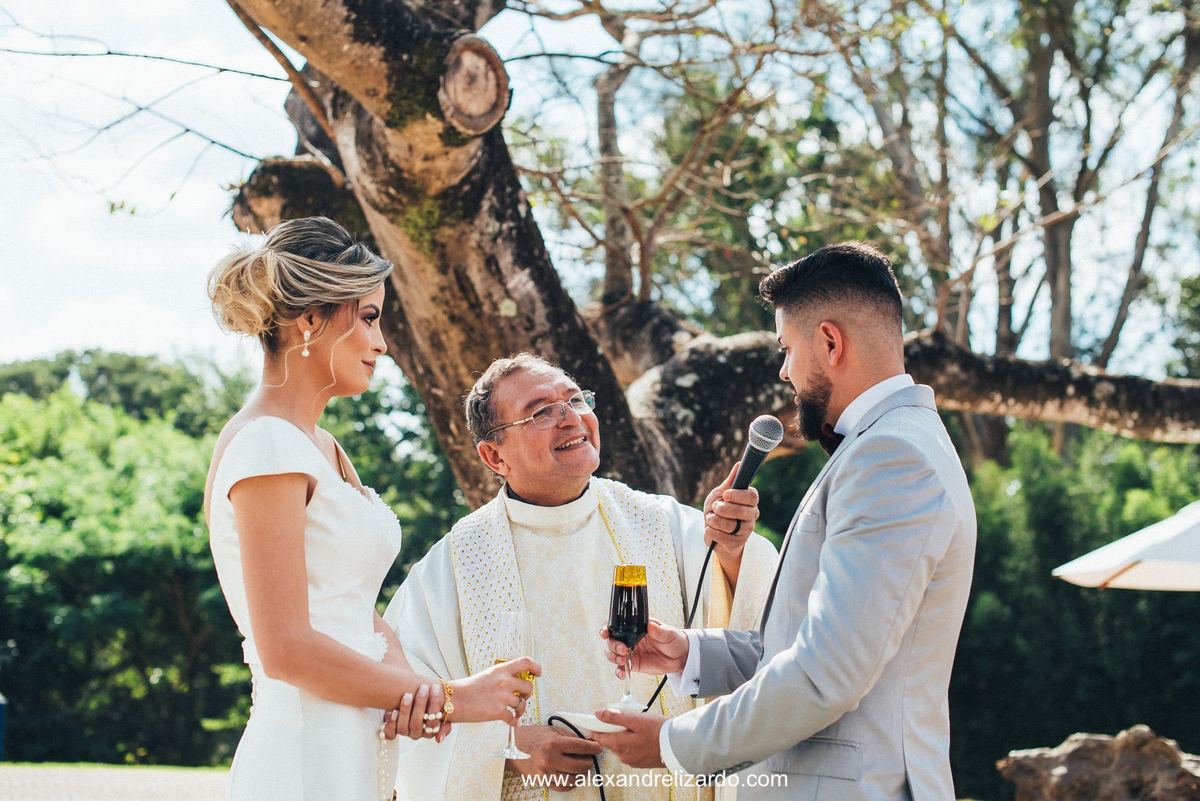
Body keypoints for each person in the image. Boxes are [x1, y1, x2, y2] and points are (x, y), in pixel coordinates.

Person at [592, 242, 977, 801]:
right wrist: (693, 652)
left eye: (787, 348)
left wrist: (674, 744)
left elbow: (827, 673)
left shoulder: (891, 458)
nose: (783, 370)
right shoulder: (888, 447)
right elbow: (813, 643)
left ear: (829, 342)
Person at [202, 216, 540, 801]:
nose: (381, 343)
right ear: (310, 319)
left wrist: (416, 695)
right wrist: (457, 698)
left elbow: (355, 611)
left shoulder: (321, 446)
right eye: (368, 317)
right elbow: (284, 646)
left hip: (360, 744)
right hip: (306, 756)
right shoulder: (266, 445)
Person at [382, 354, 778, 800]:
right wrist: (510, 749)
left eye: (575, 400)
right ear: (494, 455)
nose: (570, 418)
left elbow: (756, 618)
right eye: (541, 412)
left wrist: (732, 552)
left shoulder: (661, 523)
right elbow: (403, 709)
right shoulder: (451, 569)